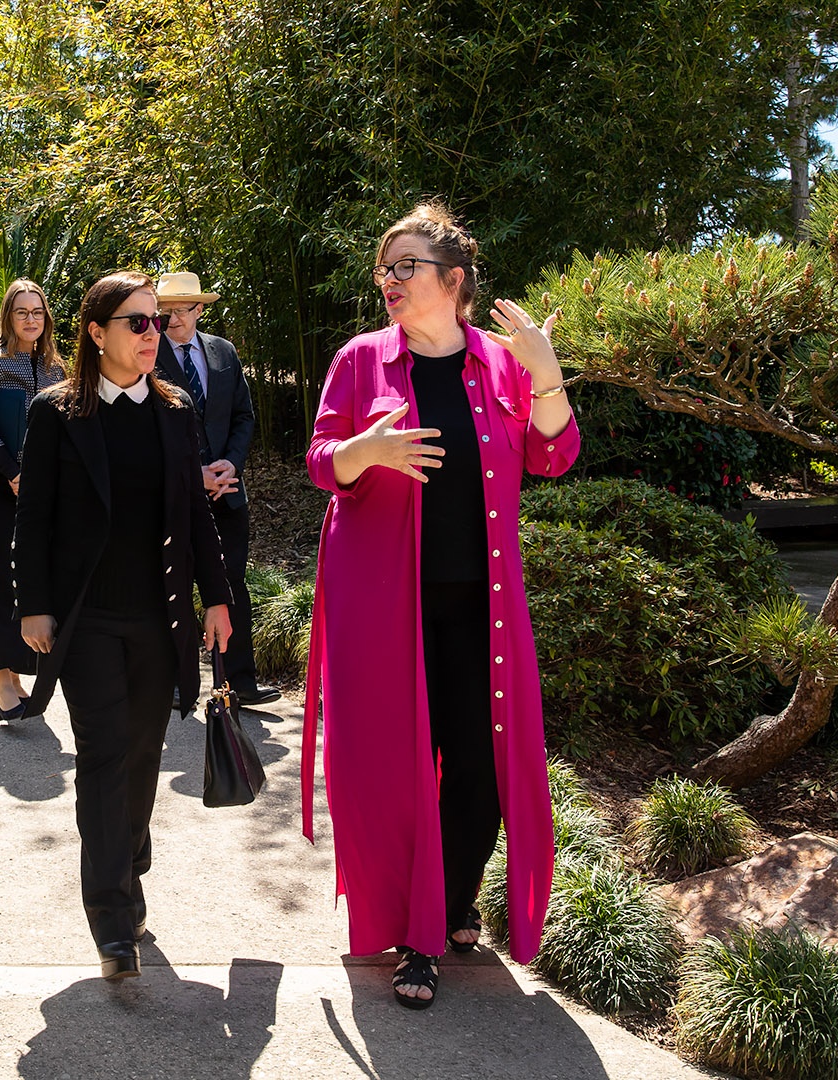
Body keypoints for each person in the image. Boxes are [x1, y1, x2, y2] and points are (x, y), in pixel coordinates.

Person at [302, 202, 580, 1009]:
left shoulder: (500, 363)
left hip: (479, 604)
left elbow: (553, 453)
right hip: (380, 598)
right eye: (384, 268)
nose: (389, 281)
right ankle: (420, 938)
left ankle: (448, 902)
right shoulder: (361, 361)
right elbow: (323, 460)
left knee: (484, 772)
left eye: (406, 267)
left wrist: (546, 367)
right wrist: (368, 450)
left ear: (453, 281)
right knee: (388, 770)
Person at [15, 270, 233, 981]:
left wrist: (219, 599)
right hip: (88, 618)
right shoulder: (57, 414)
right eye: (137, 322)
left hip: (157, 615)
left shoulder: (175, 409)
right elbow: (33, 516)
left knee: (142, 753)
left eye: (155, 321)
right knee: (105, 753)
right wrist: (32, 604)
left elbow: (196, 513)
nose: (152, 334)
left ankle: (126, 850)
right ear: (96, 332)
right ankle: (111, 916)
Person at [155, 272, 278, 706]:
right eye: (165, 310)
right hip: (174, 491)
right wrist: (194, 473)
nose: (173, 319)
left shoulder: (223, 351)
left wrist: (231, 464)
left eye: (182, 309)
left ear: (200, 310)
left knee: (231, 584)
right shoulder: (146, 355)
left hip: (227, 492)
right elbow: (150, 430)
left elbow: (243, 416)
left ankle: (239, 682)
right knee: (173, 581)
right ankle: (175, 680)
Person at [0, 279, 66, 723]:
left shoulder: (57, 368)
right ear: (8, 315)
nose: (30, 319)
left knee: (35, 573)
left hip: (46, 486)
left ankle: (24, 670)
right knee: (0, 578)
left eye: (37, 312)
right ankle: (3, 677)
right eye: (22, 311)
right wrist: (13, 473)